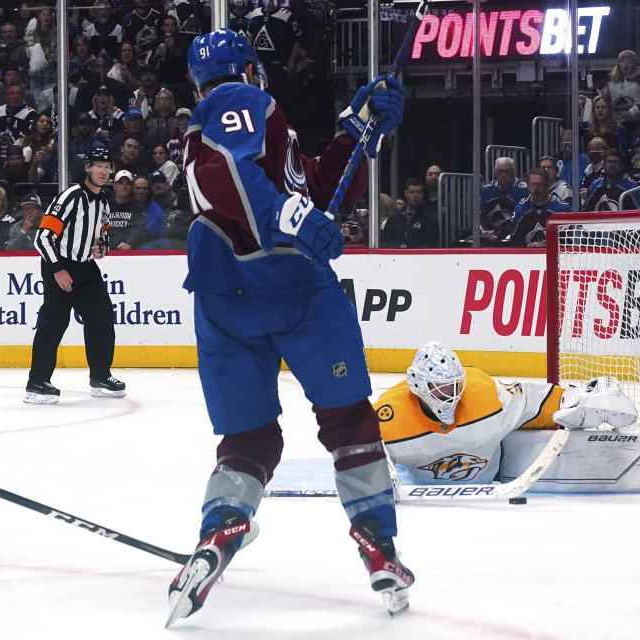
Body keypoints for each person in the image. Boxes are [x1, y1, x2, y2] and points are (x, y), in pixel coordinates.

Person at [165, 30, 412, 626]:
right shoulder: (240, 101)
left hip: (227, 302)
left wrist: (360, 130)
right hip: (296, 291)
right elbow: (224, 171)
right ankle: (377, 541)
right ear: (247, 67)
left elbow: (316, 186)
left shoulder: (266, 126)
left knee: (250, 440)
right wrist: (288, 216)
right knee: (348, 419)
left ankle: (221, 532)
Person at [375, 342, 640, 491]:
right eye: (439, 388)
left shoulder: (484, 395)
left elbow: (537, 404)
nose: (450, 395)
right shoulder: (390, 417)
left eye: (454, 385)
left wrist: (578, 403)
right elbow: (355, 449)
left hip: (494, 491)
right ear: (418, 385)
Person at [26, 146, 125, 404]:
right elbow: (43, 237)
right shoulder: (70, 197)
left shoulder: (103, 200)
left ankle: (100, 377)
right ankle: (37, 383)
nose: (104, 172)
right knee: (54, 321)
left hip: (85, 266)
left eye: (107, 167)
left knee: (102, 316)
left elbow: (103, 232)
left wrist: (102, 246)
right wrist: (58, 269)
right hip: (59, 264)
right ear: (87, 169)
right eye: (98, 166)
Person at [509, 168, 571, 247]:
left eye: (540, 184)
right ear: (527, 185)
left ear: (547, 185)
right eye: (533, 184)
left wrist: (548, 244)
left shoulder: (562, 208)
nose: (536, 188)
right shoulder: (521, 208)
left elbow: (569, 241)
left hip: (556, 257)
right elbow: (515, 241)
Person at [478, 157, 528, 244]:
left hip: (514, 235)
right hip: (489, 235)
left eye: (507, 171)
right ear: (495, 173)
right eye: (500, 171)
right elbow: (481, 214)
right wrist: (485, 231)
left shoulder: (524, 190)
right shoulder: (487, 189)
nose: (503, 175)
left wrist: (497, 232)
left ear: (513, 172)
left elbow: (523, 219)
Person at [381, 176, 436, 248]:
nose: (415, 195)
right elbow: (386, 243)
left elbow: (431, 245)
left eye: (419, 192)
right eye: (411, 192)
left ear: (423, 194)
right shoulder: (394, 219)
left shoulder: (429, 219)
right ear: (406, 193)